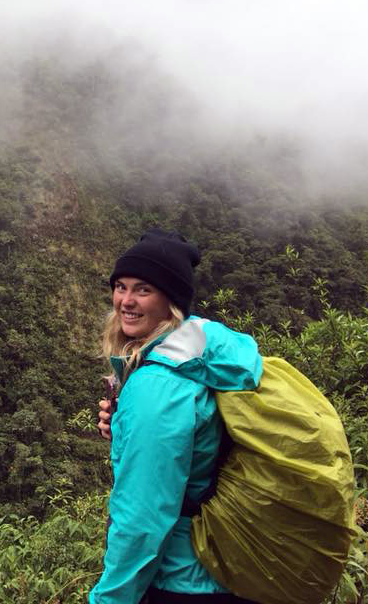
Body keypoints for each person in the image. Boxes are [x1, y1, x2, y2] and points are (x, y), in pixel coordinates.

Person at [89, 230, 262, 604]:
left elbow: (143, 520)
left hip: (183, 580)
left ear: (172, 300)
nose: (126, 301)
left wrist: (109, 599)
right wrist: (125, 430)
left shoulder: (158, 385)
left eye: (143, 290)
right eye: (120, 286)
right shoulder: (200, 355)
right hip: (225, 569)